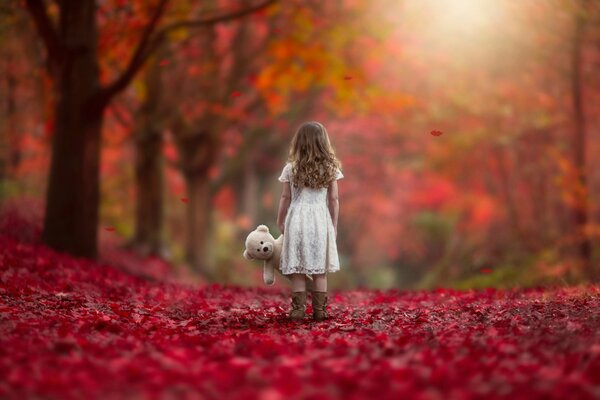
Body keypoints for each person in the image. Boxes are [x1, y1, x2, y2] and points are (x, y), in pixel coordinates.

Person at [276, 121, 344, 322]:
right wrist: (334, 225)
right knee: (320, 269)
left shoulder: (291, 168)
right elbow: (333, 200)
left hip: (297, 218)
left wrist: (280, 220)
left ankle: (297, 311)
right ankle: (320, 311)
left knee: (298, 268)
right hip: (320, 220)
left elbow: (285, 198)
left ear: (299, 143)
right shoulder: (330, 168)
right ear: (323, 142)